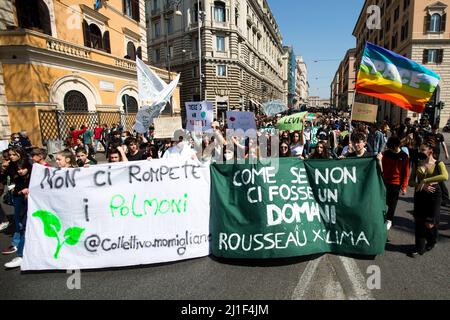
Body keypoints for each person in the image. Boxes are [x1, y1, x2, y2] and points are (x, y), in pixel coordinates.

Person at [408, 137, 448, 257]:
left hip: (434, 195)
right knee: (419, 221)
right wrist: (421, 185)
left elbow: (445, 176)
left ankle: (432, 240)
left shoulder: (438, 164)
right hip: (420, 193)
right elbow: (410, 181)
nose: (420, 151)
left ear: (430, 150)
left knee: (430, 223)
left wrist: (425, 180)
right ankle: (419, 248)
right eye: (420, 149)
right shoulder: (417, 162)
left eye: (423, 149)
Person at [4, 158, 32, 269]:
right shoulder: (19, 179)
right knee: (24, 229)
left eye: (23, 169)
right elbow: (16, 192)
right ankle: (21, 255)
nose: (20, 171)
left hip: (35, 208)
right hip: (24, 208)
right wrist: (21, 192)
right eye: (18, 169)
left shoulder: (34, 177)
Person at [380, 137, 410, 231]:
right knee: (383, 202)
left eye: (392, 147)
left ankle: (389, 220)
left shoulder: (404, 156)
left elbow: (406, 173)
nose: (390, 149)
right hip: (384, 182)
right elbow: (381, 166)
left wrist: (404, 187)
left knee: (392, 204)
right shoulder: (386, 153)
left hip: (396, 184)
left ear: (397, 146)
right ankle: (381, 219)